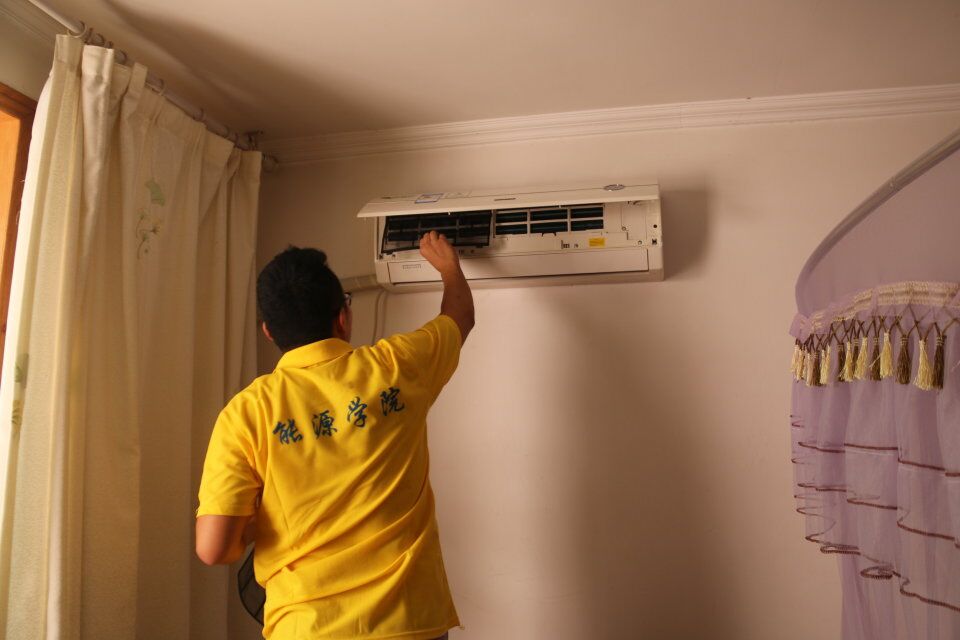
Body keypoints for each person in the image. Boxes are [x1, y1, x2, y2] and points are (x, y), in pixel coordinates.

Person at [195, 231, 474, 640]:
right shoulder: (396, 367)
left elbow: (213, 548)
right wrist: (449, 269)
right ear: (342, 318)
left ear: (268, 331)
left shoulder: (246, 413)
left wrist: (256, 525)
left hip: (307, 627)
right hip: (409, 621)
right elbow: (459, 317)